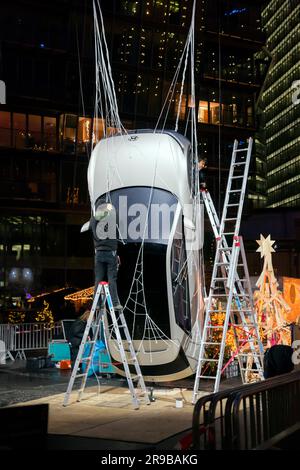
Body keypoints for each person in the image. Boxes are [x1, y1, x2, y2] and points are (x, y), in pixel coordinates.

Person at [90, 201, 122, 310]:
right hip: (110, 252)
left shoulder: (94, 219)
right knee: (111, 278)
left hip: (99, 252)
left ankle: (97, 303)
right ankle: (115, 303)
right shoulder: (111, 217)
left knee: (98, 279)